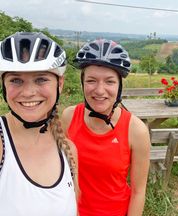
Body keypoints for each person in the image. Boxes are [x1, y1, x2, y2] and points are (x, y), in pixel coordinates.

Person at [61, 39, 150, 216]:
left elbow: (139, 192)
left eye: (109, 81)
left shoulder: (136, 130)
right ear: (82, 83)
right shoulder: (69, 117)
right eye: (91, 80)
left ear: (119, 86)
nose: (100, 90)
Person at [0, 32, 78, 216]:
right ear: (4, 85)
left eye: (41, 79)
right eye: (16, 80)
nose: (28, 92)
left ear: (60, 84)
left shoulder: (68, 150)